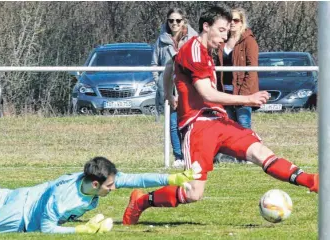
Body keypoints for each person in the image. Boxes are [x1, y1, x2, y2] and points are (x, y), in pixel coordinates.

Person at [123, 6, 319, 225]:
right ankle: (141, 201)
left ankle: (313, 181)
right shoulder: (194, 51)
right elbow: (206, 93)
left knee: (260, 152)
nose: (225, 36)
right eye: (222, 30)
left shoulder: (200, 49)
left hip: (220, 122)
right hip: (198, 126)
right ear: (206, 27)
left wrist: (169, 93)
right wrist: (248, 99)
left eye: (228, 31)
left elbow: (170, 65)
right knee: (192, 193)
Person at [0, 143, 200, 234]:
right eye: (110, 186)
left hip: (24, 194)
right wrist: (81, 231)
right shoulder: (64, 200)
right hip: (20, 214)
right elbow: (47, 229)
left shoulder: (89, 178)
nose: (115, 188)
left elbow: (135, 179)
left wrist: (173, 178)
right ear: (97, 184)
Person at [152, 8, 198, 168]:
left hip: (188, 90)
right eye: (171, 20)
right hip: (169, 91)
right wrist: (162, 86)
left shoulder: (194, 39)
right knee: (172, 124)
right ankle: (178, 157)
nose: (174, 24)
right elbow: (155, 64)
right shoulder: (161, 40)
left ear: (184, 21)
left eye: (178, 20)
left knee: (187, 123)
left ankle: (189, 154)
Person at [214, 7, 259, 164]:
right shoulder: (222, 41)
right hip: (225, 92)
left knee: (244, 125)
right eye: (230, 20)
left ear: (242, 23)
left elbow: (252, 70)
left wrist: (244, 96)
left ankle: (251, 156)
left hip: (242, 92)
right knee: (229, 126)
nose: (232, 23)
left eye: (236, 20)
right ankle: (234, 156)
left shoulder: (249, 41)